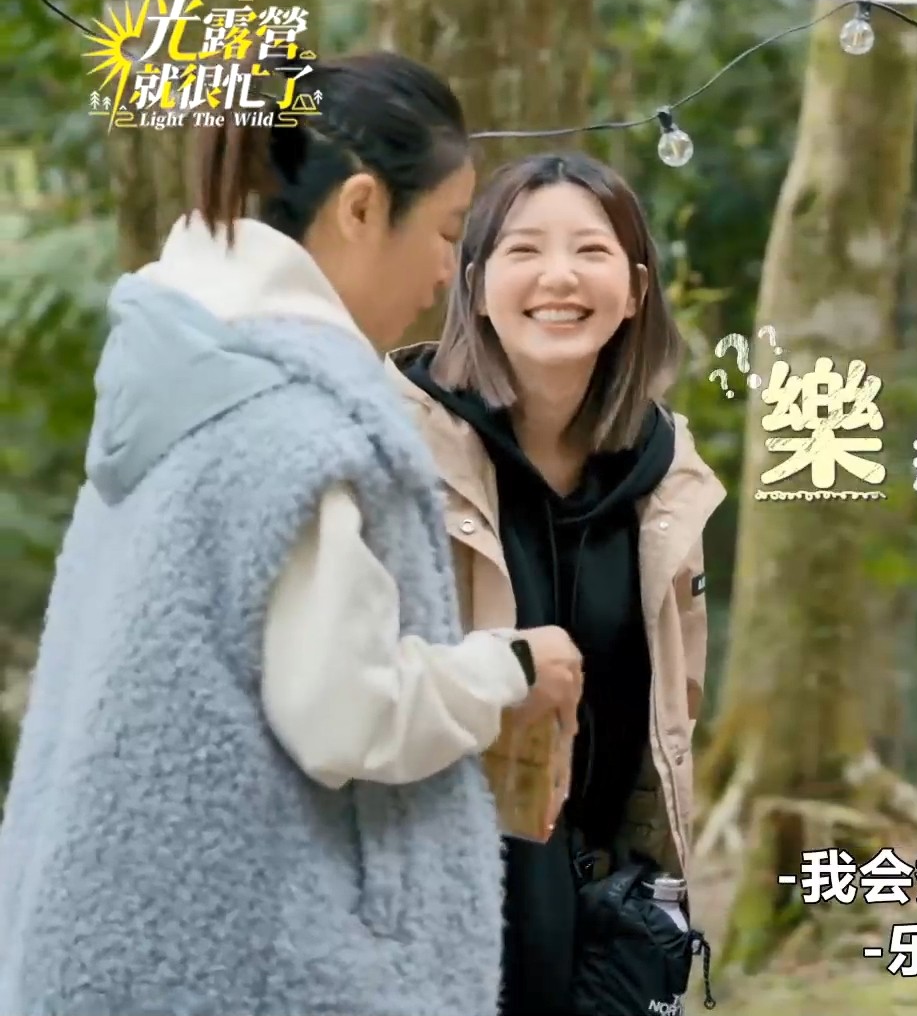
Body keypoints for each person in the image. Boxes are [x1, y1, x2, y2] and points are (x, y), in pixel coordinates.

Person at [0, 51, 585, 1016]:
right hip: (254, 972)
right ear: (361, 208)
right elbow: (348, 714)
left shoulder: (182, 384)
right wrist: (510, 668)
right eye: (447, 231)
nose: (448, 272)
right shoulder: (300, 428)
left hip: (121, 950)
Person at [387, 151, 723, 1015]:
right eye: (526, 250)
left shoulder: (666, 475)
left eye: (592, 251)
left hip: (603, 907)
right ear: (474, 283)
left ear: (636, 290)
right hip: (432, 896)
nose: (560, 277)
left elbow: (673, 711)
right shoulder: (395, 448)